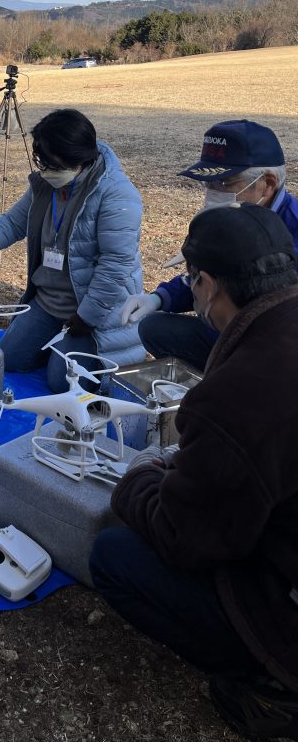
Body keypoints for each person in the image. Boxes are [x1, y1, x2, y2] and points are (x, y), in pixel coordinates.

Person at [91, 204, 298, 740]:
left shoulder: (237, 393)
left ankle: (272, 683)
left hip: (286, 604)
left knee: (113, 556)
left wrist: (140, 477)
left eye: (191, 281)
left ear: (205, 284)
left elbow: (189, 539)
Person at [0, 108, 144, 390]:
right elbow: (13, 222)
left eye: (51, 163)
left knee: (61, 384)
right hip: (48, 302)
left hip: (92, 312)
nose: (43, 170)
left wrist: (86, 317)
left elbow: (116, 265)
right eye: (40, 161)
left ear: (77, 159)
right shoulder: (45, 184)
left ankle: (75, 352)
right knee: (10, 359)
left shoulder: (117, 194)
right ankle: (55, 344)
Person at [121, 119, 298, 370]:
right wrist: (159, 298)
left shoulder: (292, 228)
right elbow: (206, 274)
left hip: (277, 341)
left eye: (225, 183)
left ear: (267, 184)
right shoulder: (232, 216)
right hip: (230, 325)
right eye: (209, 184)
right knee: (154, 327)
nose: (213, 193)